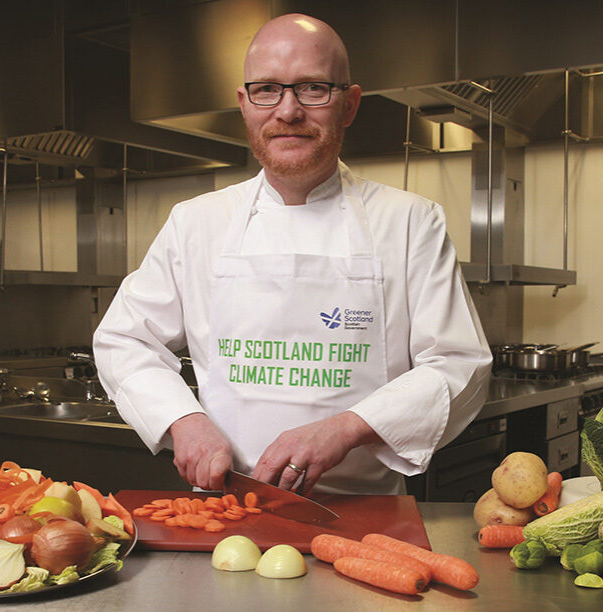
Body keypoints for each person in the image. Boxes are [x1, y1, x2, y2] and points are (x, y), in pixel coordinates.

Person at [93, 13, 492, 496]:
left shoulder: (410, 222)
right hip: (227, 510)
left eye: (312, 89)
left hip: (365, 519)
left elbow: (460, 363)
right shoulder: (196, 222)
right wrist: (183, 420)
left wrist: (347, 428)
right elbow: (124, 340)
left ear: (349, 104)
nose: (287, 111)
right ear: (245, 104)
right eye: (266, 90)